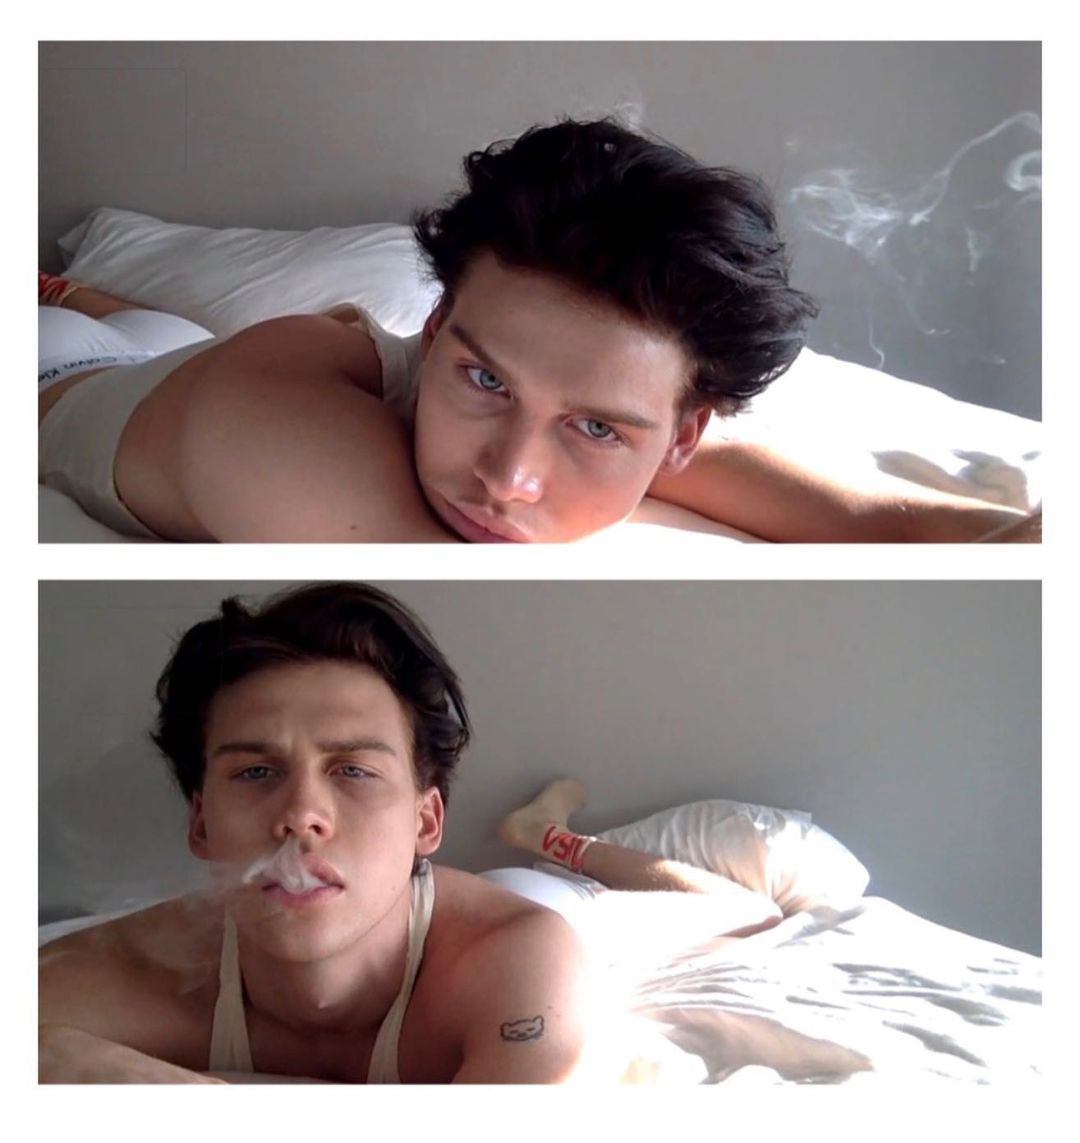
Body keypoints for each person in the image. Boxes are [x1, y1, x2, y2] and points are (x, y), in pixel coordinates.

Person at [38, 117, 1035, 543]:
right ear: (435, 327)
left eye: (595, 427)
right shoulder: (274, 423)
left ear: (681, 436)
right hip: (50, 374)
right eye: (485, 380)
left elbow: (875, 520)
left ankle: (77, 291)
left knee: (161, 329)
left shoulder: (646, 430)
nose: (508, 479)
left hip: (165, 354)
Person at [38, 583, 604, 1084]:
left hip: (536, 899)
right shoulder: (138, 973)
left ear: (425, 821)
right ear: (202, 824)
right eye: (255, 773)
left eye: (353, 770)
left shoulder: (519, 962)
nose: (301, 814)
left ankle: (552, 835)